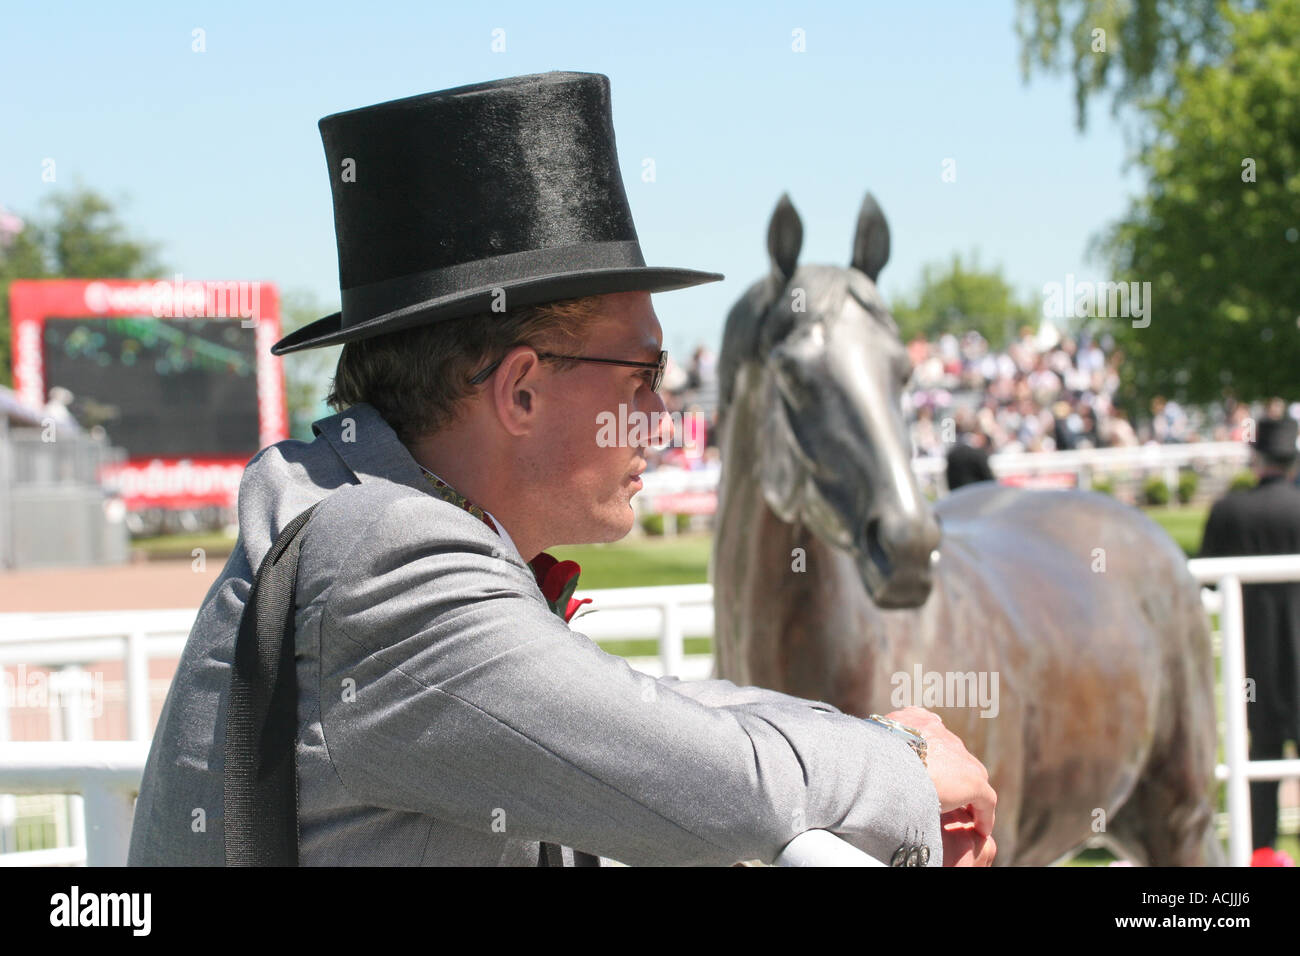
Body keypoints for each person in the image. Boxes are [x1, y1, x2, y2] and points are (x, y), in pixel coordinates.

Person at [128, 72, 995, 867]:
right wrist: (902, 763)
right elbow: (723, 783)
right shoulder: (384, 560)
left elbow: (640, 713)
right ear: (522, 391)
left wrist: (867, 737)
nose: (662, 418)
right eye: (644, 375)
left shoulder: (355, 517)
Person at [1199, 415, 1300, 854]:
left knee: (1258, 754)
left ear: (1256, 458)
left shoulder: (1230, 511)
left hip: (1252, 661)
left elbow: (1203, 580)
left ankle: (1260, 850)